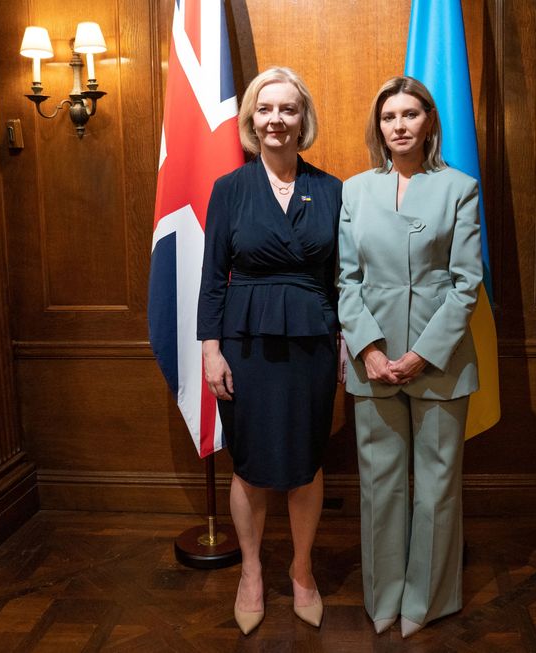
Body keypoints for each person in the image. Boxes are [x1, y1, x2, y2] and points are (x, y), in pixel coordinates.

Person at [197, 67, 342, 635]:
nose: (276, 119)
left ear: (303, 119)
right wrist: (212, 350)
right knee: (251, 465)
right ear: (251, 120)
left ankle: (302, 571)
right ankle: (252, 573)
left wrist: (347, 336)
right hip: (245, 342)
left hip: (312, 339)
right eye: (265, 109)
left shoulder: (332, 189)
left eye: (288, 109)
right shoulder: (229, 189)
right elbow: (213, 279)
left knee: (306, 462)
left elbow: (342, 277)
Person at [337, 76, 483, 638]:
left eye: (409, 115)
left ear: (429, 123)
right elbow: (346, 280)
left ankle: (427, 599)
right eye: (388, 116)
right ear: (379, 126)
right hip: (370, 364)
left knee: (439, 485)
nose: (398, 125)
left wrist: (421, 354)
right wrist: (369, 349)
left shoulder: (459, 188)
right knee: (379, 487)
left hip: (440, 361)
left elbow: (467, 283)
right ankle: (384, 600)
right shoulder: (355, 191)